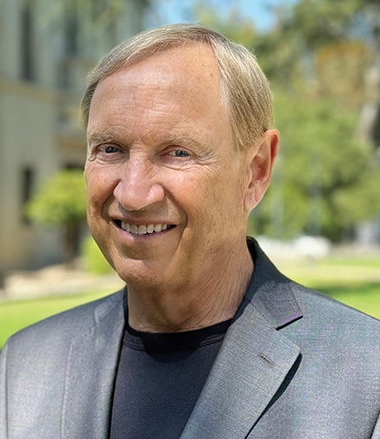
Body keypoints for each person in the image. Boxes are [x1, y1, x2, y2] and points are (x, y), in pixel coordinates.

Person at [1, 23, 380, 439]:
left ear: (256, 171)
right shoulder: (23, 367)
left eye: (177, 152)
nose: (134, 193)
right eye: (110, 149)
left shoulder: (365, 375)